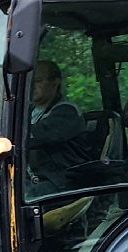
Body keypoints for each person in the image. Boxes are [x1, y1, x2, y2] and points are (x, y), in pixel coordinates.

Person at [26, 60, 93, 194]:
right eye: (31, 80)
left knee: (19, 199)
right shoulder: (30, 110)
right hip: (34, 179)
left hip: (62, 183)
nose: (33, 85)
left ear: (55, 82)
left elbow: (34, 136)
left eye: (38, 80)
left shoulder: (67, 111)